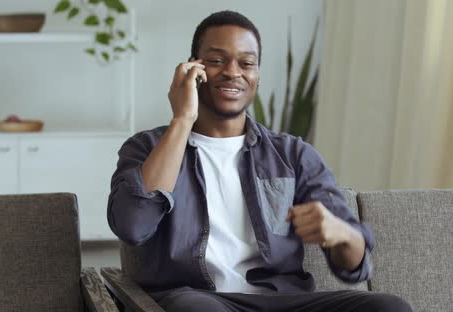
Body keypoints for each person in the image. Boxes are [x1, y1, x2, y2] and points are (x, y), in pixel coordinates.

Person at [107, 10, 412, 312]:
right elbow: (133, 225)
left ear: (257, 75)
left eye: (246, 63)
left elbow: (355, 266)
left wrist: (342, 232)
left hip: (282, 300)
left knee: (389, 307)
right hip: (198, 300)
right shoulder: (147, 147)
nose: (232, 72)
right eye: (216, 60)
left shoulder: (292, 155)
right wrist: (183, 118)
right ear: (192, 69)